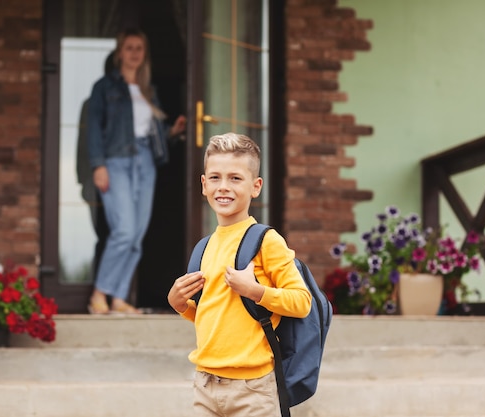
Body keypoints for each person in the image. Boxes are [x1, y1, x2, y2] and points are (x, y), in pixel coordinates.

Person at [167, 132, 312, 417]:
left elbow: (302, 301)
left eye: (235, 178)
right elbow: (217, 316)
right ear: (204, 184)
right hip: (206, 384)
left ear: (255, 186)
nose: (224, 187)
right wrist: (180, 305)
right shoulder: (204, 247)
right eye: (216, 177)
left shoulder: (265, 241)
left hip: (253, 388)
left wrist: (255, 291)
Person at [87, 29, 186, 315]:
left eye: (139, 48)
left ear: (144, 54)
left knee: (137, 234)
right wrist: (98, 165)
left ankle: (117, 298)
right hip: (116, 161)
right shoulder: (104, 88)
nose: (134, 53)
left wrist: (172, 132)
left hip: (146, 163)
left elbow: (150, 135)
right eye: (129, 47)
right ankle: (99, 294)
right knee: (124, 230)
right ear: (120, 52)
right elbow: (94, 129)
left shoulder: (148, 90)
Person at [76, 52, 115, 281]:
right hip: (98, 181)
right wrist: (84, 179)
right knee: (104, 233)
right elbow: (83, 144)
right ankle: (99, 288)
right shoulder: (91, 104)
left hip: (123, 180)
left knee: (121, 236)